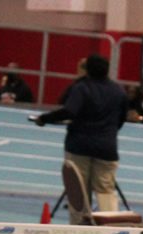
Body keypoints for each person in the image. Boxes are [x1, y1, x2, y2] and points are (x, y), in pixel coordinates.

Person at [32, 53, 126, 214]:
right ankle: (111, 226)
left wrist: (44, 118)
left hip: (79, 145)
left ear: (87, 70)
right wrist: (108, 133)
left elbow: (69, 111)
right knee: (106, 190)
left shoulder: (81, 88)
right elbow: (121, 119)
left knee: (78, 190)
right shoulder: (119, 91)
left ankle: (79, 229)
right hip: (106, 147)